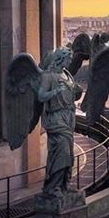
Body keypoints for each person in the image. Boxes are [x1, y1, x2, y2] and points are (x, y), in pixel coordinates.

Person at [38, 47, 82, 197]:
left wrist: (76, 92)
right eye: (68, 59)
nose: (70, 61)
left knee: (68, 152)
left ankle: (64, 184)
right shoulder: (48, 76)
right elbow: (41, 96)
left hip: (68, 116)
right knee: (61, 151)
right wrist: (55, 91)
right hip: (56, 117)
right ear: (60, 58)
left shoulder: (67, 74)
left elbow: (71, 93)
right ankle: (53, 187)